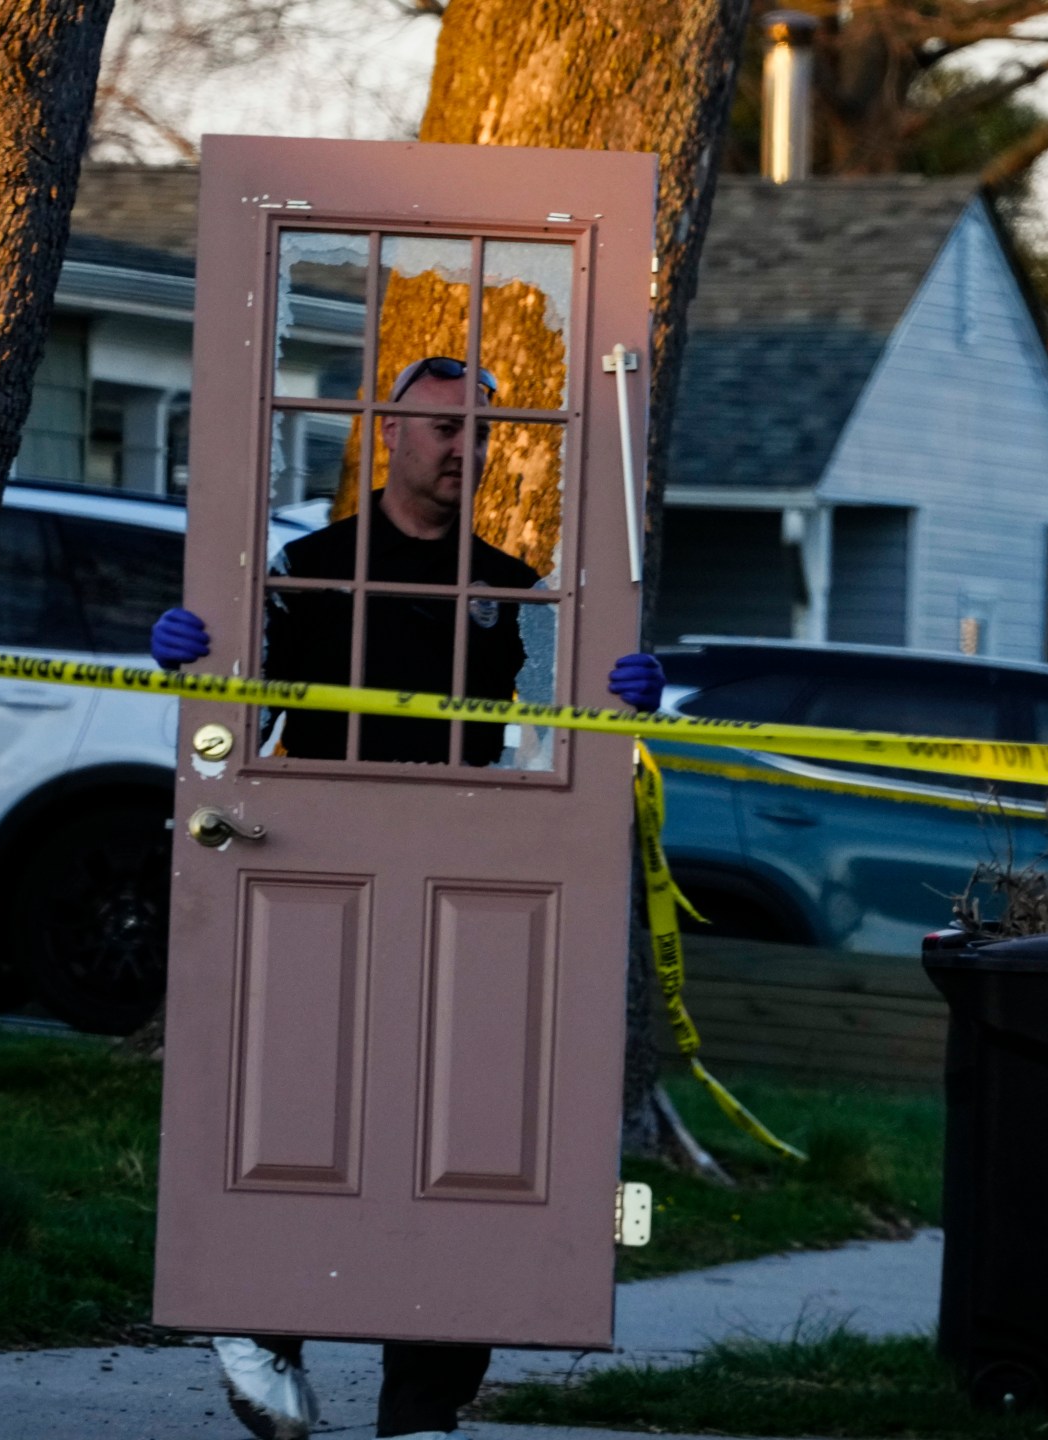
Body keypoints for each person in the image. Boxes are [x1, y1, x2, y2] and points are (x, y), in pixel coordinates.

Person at [151, 355, 665, 1440]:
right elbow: (227, 729)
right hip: (310, 879)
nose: (460, 450)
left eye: (479, 433)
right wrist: (189, 665)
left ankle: (424, 1404)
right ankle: (255, 1326)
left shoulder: (513, 589)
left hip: (470, 899)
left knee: (460, 1134)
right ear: (390, 434)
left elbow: (560, 740)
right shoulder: (309, 567)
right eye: (440, 429)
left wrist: (618, 698)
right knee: (295, 1111)